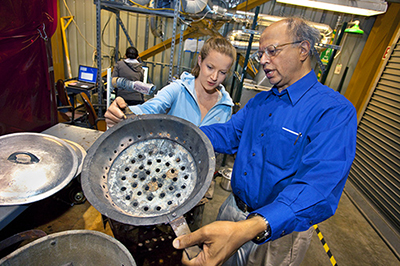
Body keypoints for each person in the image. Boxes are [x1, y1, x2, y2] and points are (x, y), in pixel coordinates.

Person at [172, 17, 358, 266]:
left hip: (279, 232)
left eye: (272, 51)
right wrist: (175, 132)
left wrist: (254, 226)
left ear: (303, 50)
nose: (262, 60)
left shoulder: (333, 111)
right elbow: (228, 134)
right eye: (260, 53)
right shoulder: (260, 103)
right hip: (233, 212)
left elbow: (318, 187)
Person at [105, 36, 236, 128]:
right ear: (200, 61)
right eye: (210, 67)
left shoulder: (225, 107)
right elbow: (151, 108)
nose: (214, 77)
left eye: (222, 72)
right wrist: (123, 114)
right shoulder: (178, 90)